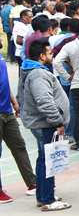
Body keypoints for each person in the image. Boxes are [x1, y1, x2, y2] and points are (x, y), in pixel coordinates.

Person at [18, 40, 71, 211]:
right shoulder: (39, 75)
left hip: (42, 123)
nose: (52, 56)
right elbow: (44, 102)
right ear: (42, 56)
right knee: (49, 160)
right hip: (46, 124)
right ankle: (48, 200)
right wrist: (57, 122)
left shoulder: (33, 71)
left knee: (43, 159)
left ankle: (43, 196)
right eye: (49, 53)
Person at [0, 56, 36, 203]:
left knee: (19, 146)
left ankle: (32, 183)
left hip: (7, 111)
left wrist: (13, 102)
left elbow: (4, 82)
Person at [52, 18, 79, 151]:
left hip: (76, 84)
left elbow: (56, 62)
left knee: (78, 115)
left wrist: (68, 77)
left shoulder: (70, 45)